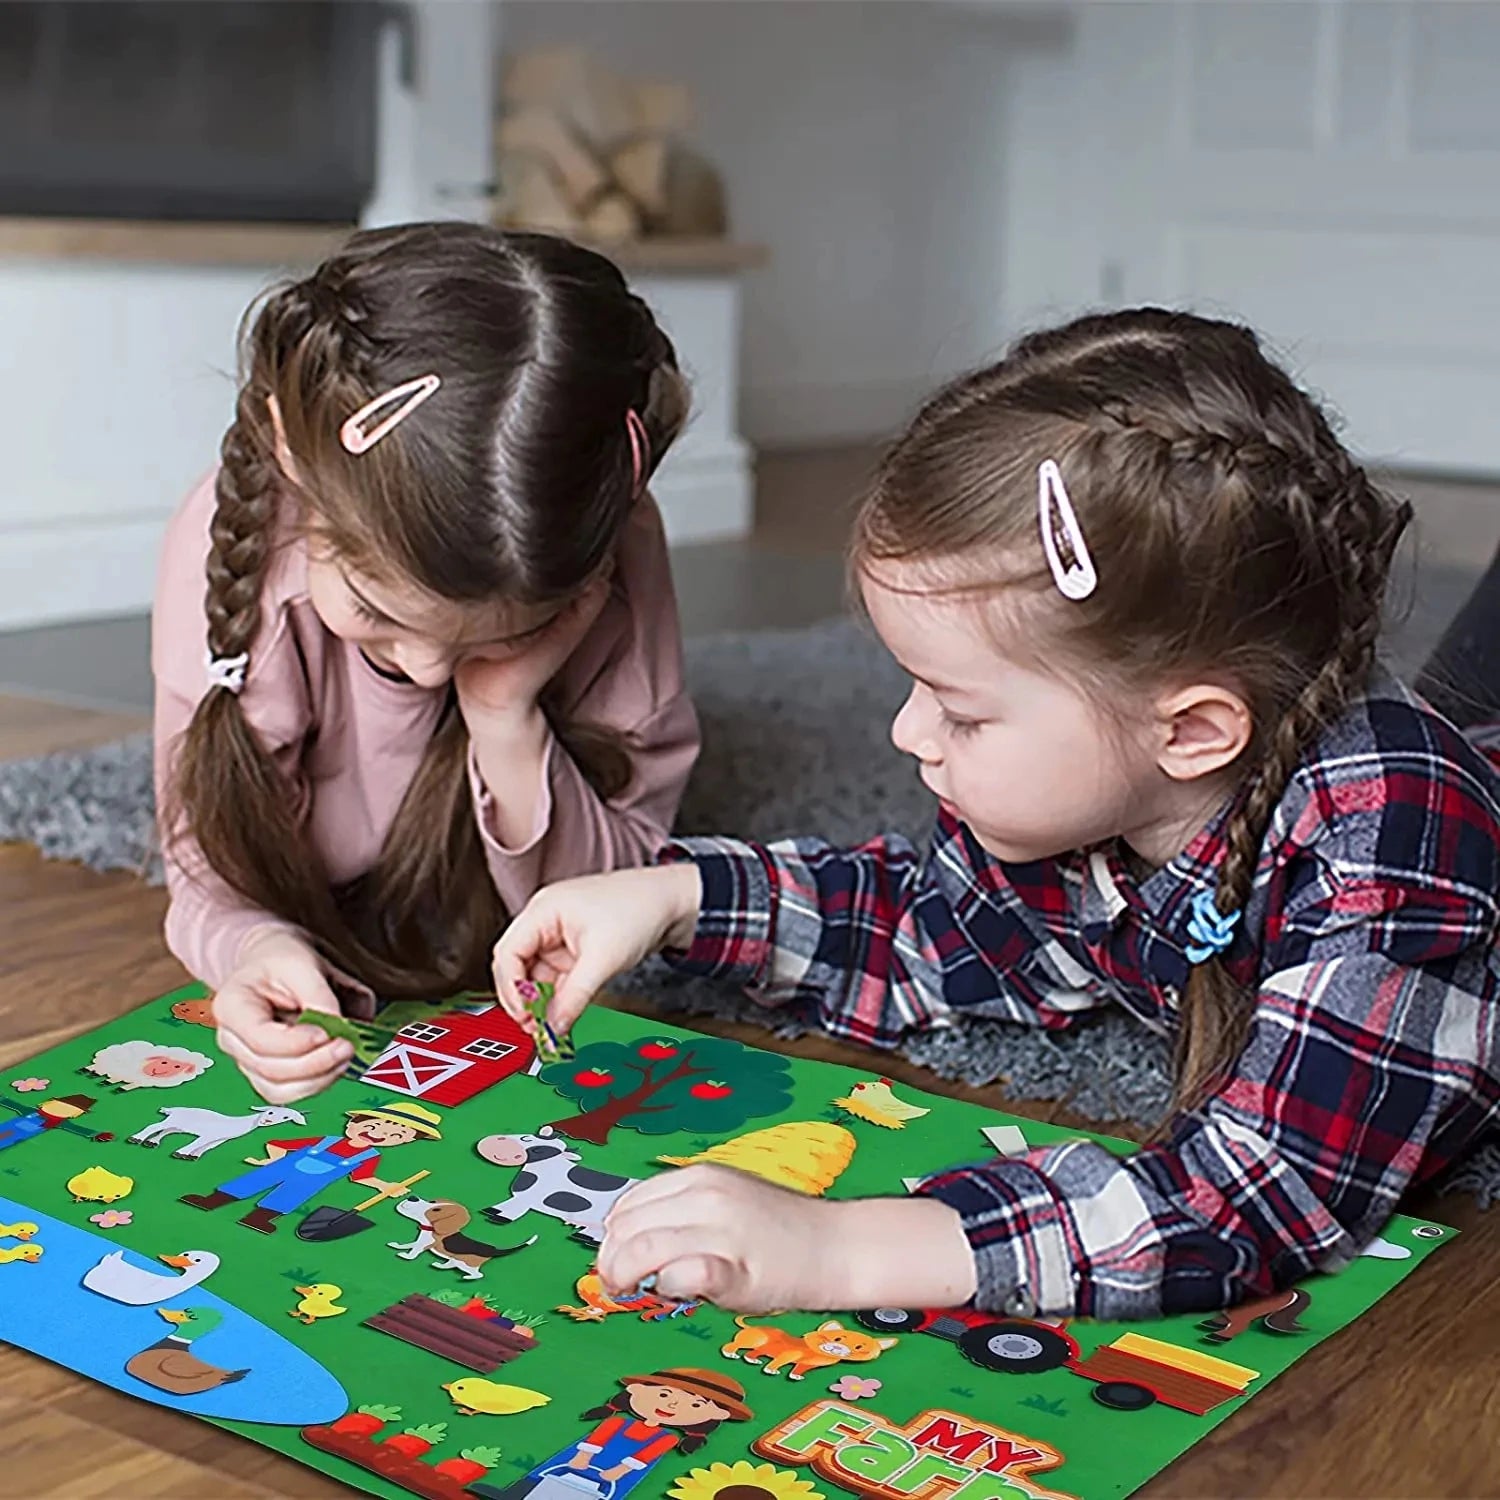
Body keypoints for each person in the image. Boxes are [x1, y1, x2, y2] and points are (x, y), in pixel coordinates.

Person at [494, 308, 1500, 1322]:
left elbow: (1250, 1198)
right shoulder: (1111, 802)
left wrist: (845, 1247)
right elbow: (927, 933)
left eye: (962, 711)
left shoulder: (1394, 855)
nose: (903, 732)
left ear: (1192, 732)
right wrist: (680, 894)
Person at [152, 223, 699, 1105]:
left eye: (501, 633)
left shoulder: (614, 552)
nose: (429, 671)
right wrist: (248, 944)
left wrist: (508, 717)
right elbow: (204, 862)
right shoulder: (244, 553)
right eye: (376, 612)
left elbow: (615, 902)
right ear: (291, 454)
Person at [179, 1100, 440, 1234]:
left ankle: (258, 1218)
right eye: (372, 1126)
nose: (379, 1134)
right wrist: (270, 1159)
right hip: (282, 1167)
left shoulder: (369, 1155)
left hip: (309, 1181)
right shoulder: (325, 1140)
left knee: (288, 1197)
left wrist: (386, 1186)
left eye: (395, 1136)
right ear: (354, 1123)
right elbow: (278, 1142)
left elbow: (363, 1177)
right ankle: (210, 1201)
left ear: (404, 1140)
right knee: (249, 1183)